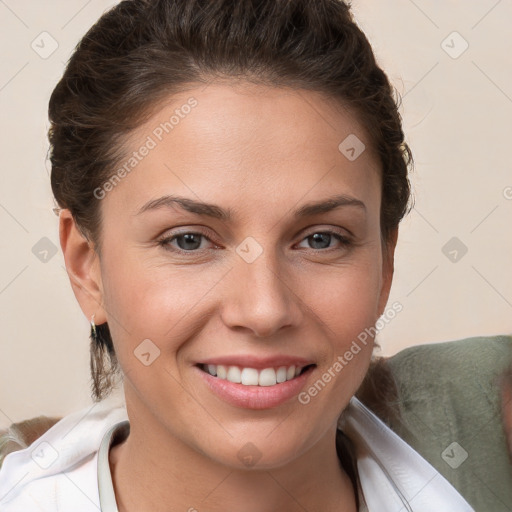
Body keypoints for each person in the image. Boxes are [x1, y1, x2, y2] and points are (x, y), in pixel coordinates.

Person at [0, 0, 476, 510]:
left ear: (385, 264)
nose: (264, 310)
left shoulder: (486, 438)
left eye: (321, 239)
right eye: (188, 240)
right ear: (86, 266)